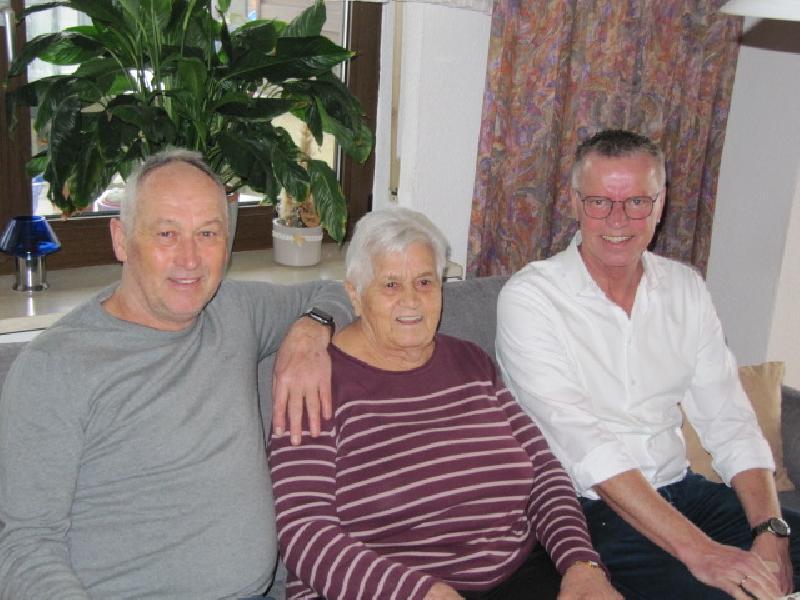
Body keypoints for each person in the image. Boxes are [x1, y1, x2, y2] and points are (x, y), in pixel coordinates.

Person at [0, 149, 351, 599]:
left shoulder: (233, 309)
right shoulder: (56, 367)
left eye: (208, 233)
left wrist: (311, 328)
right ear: (121, 239)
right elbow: (25, 548)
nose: (191, 259)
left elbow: (335, 290)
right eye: (167, 233)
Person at [496, 129, 800, 599]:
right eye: (600, 202)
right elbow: (587, 449)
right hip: (589, 511)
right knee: (726, 593)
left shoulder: (685, 289)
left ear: (660, 204)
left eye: (637, 201)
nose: (618, 219)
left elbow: (729, 420)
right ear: (575, 202)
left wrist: (770, 530)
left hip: (683, 490)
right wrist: (702, 552)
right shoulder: (532, 299)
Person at [270, 207, 620, 600]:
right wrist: (417, 593)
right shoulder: (313, 380)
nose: (411, 301)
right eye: (389, 285)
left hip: (514, 572)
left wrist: (580, 563)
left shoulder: (470, 361)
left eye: (424, 282)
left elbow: (543, 472)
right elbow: (305, 532)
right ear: (354, 293)